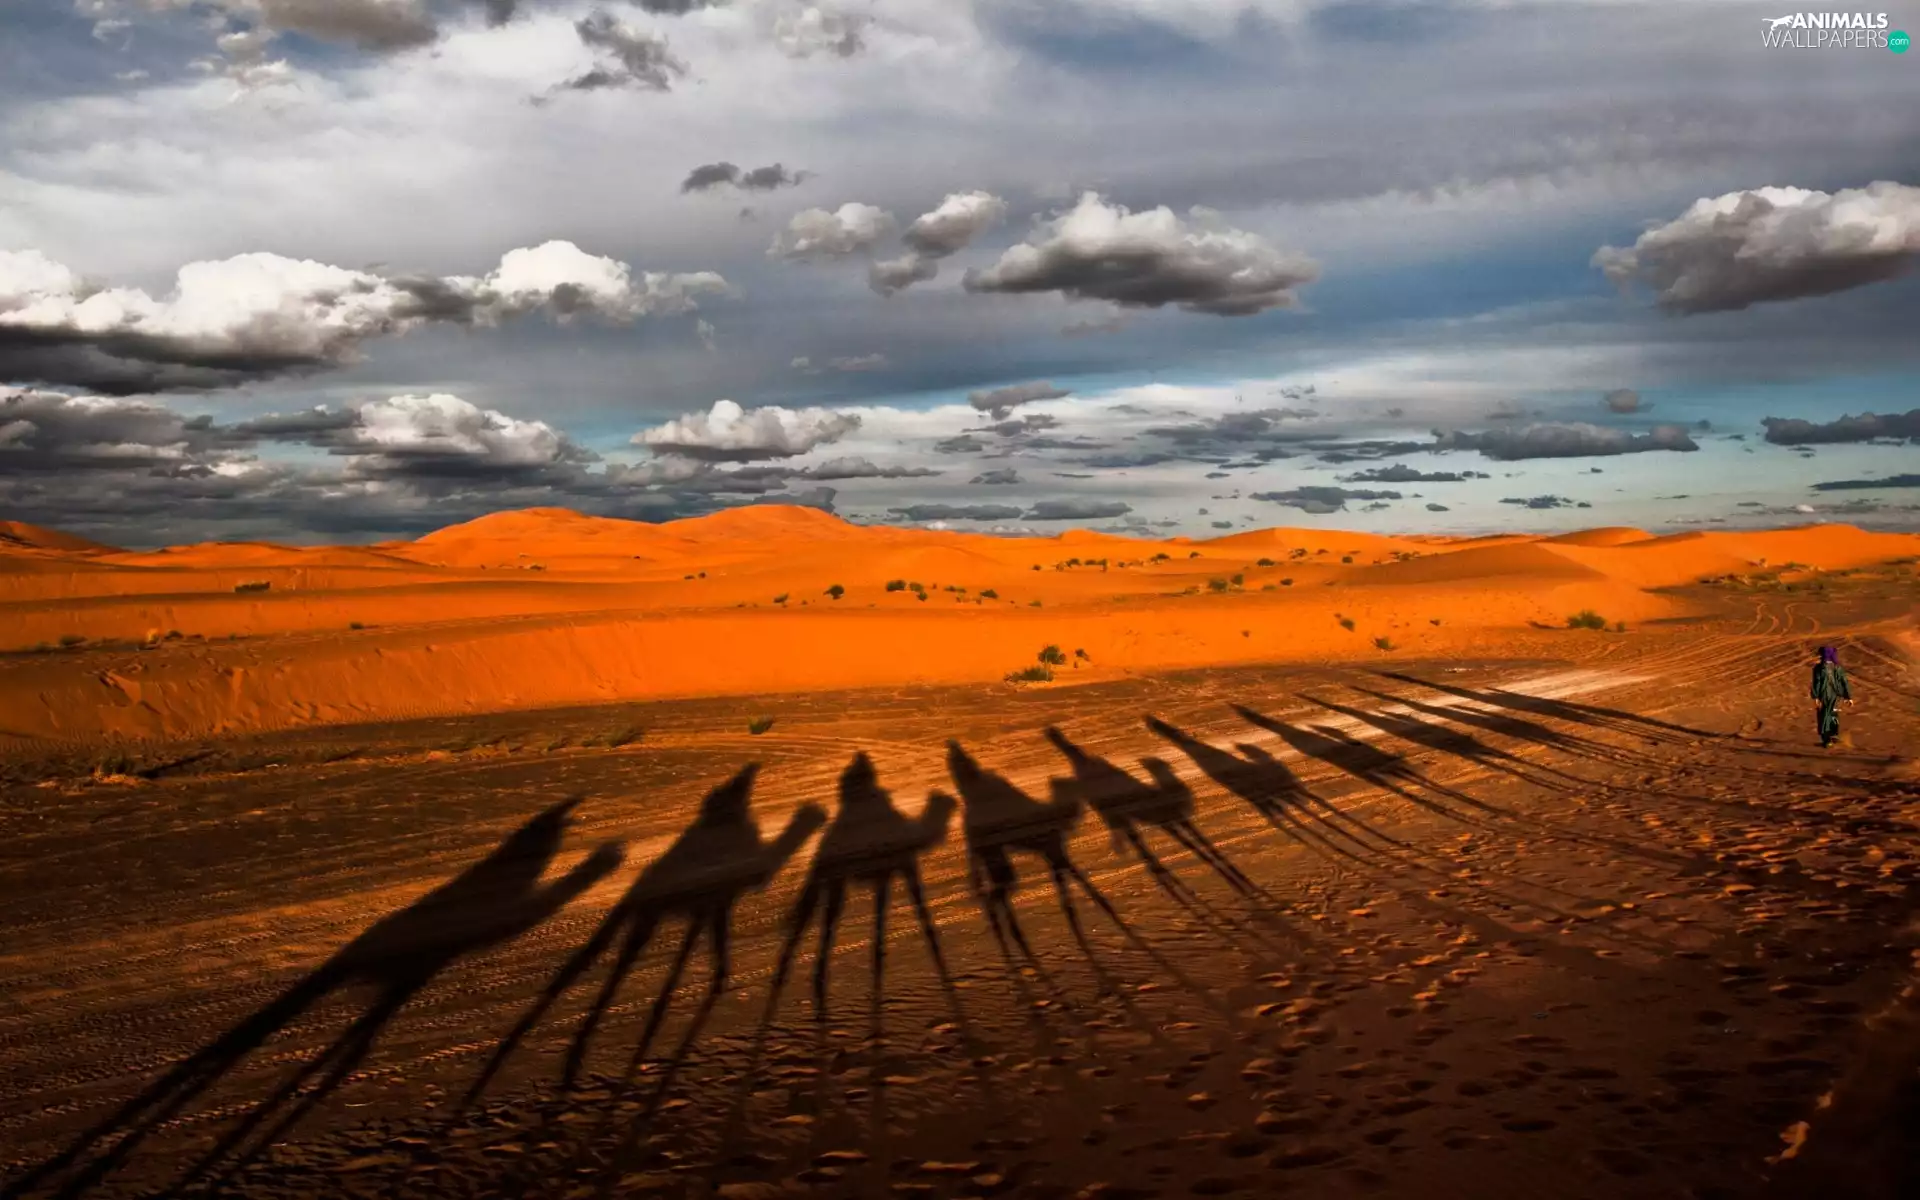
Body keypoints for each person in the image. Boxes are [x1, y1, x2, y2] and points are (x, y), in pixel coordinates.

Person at [1810, 645, 1853, 748]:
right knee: (1834, 714)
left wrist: (1815, 697)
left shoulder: (1818, 668)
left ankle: (1827, 740)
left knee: (1824, 716)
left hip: (1823, 696)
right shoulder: (1838, 668)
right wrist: (1848, 697)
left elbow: (1817, 683)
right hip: (1836, 696)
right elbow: (1844, 682)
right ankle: (1834, 735)